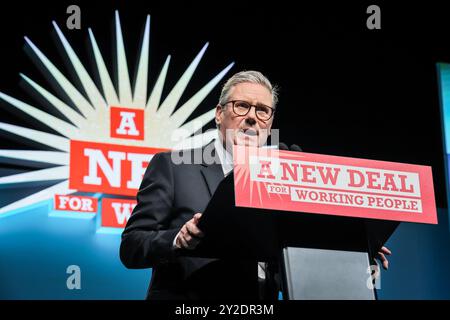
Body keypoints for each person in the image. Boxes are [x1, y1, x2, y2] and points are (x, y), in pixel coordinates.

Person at [119, 70, 391, 300]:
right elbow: (132, 246)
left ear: (270, 121)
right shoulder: (174, 166)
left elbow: (294, 250)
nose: (252, 117)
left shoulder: (282, 177)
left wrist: (347, 241)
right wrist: (178, 238)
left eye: (263, 111)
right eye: (242, 106)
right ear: (218, 114)